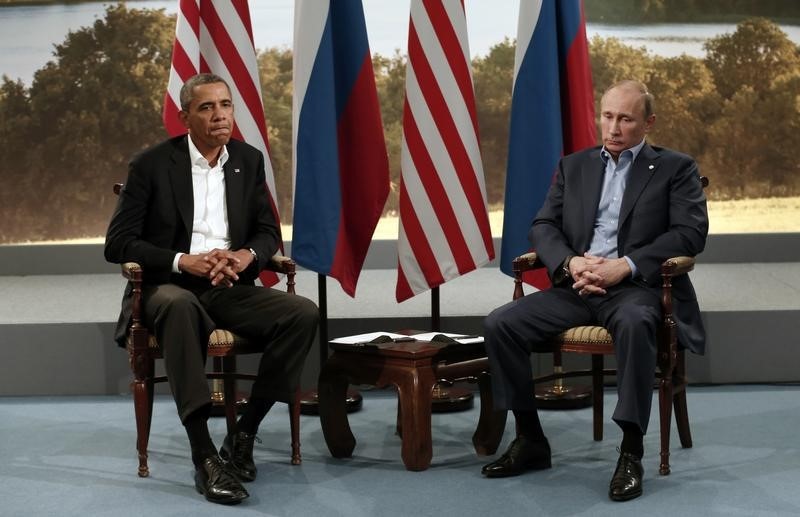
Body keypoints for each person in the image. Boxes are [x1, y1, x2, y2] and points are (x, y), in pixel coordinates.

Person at [481, 80, 708, 501]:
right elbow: (544, 226)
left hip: (636, 289)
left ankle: (631, 450)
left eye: (625, 119)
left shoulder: (676, 168)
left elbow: (690, 234)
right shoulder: (575, 166)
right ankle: (531, 439)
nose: (614, 127)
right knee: (500, 325)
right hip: (577, 286)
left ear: (648, 122)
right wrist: (572, 263)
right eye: (607, 116)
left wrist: (625, 265)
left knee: (637, 323)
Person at [105, 73, 318, 505]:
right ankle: (204, 454)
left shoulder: (248, 159)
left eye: (225, 105)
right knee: (180, 306)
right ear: (185, 116)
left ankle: (244, 433)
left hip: (228, 285)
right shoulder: (150, 165)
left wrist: (243, 257)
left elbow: (266, 232)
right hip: (169, 287)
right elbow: (118, 243)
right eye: (207, 107)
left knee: (302, 313)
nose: (220, 115)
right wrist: (183, 260)